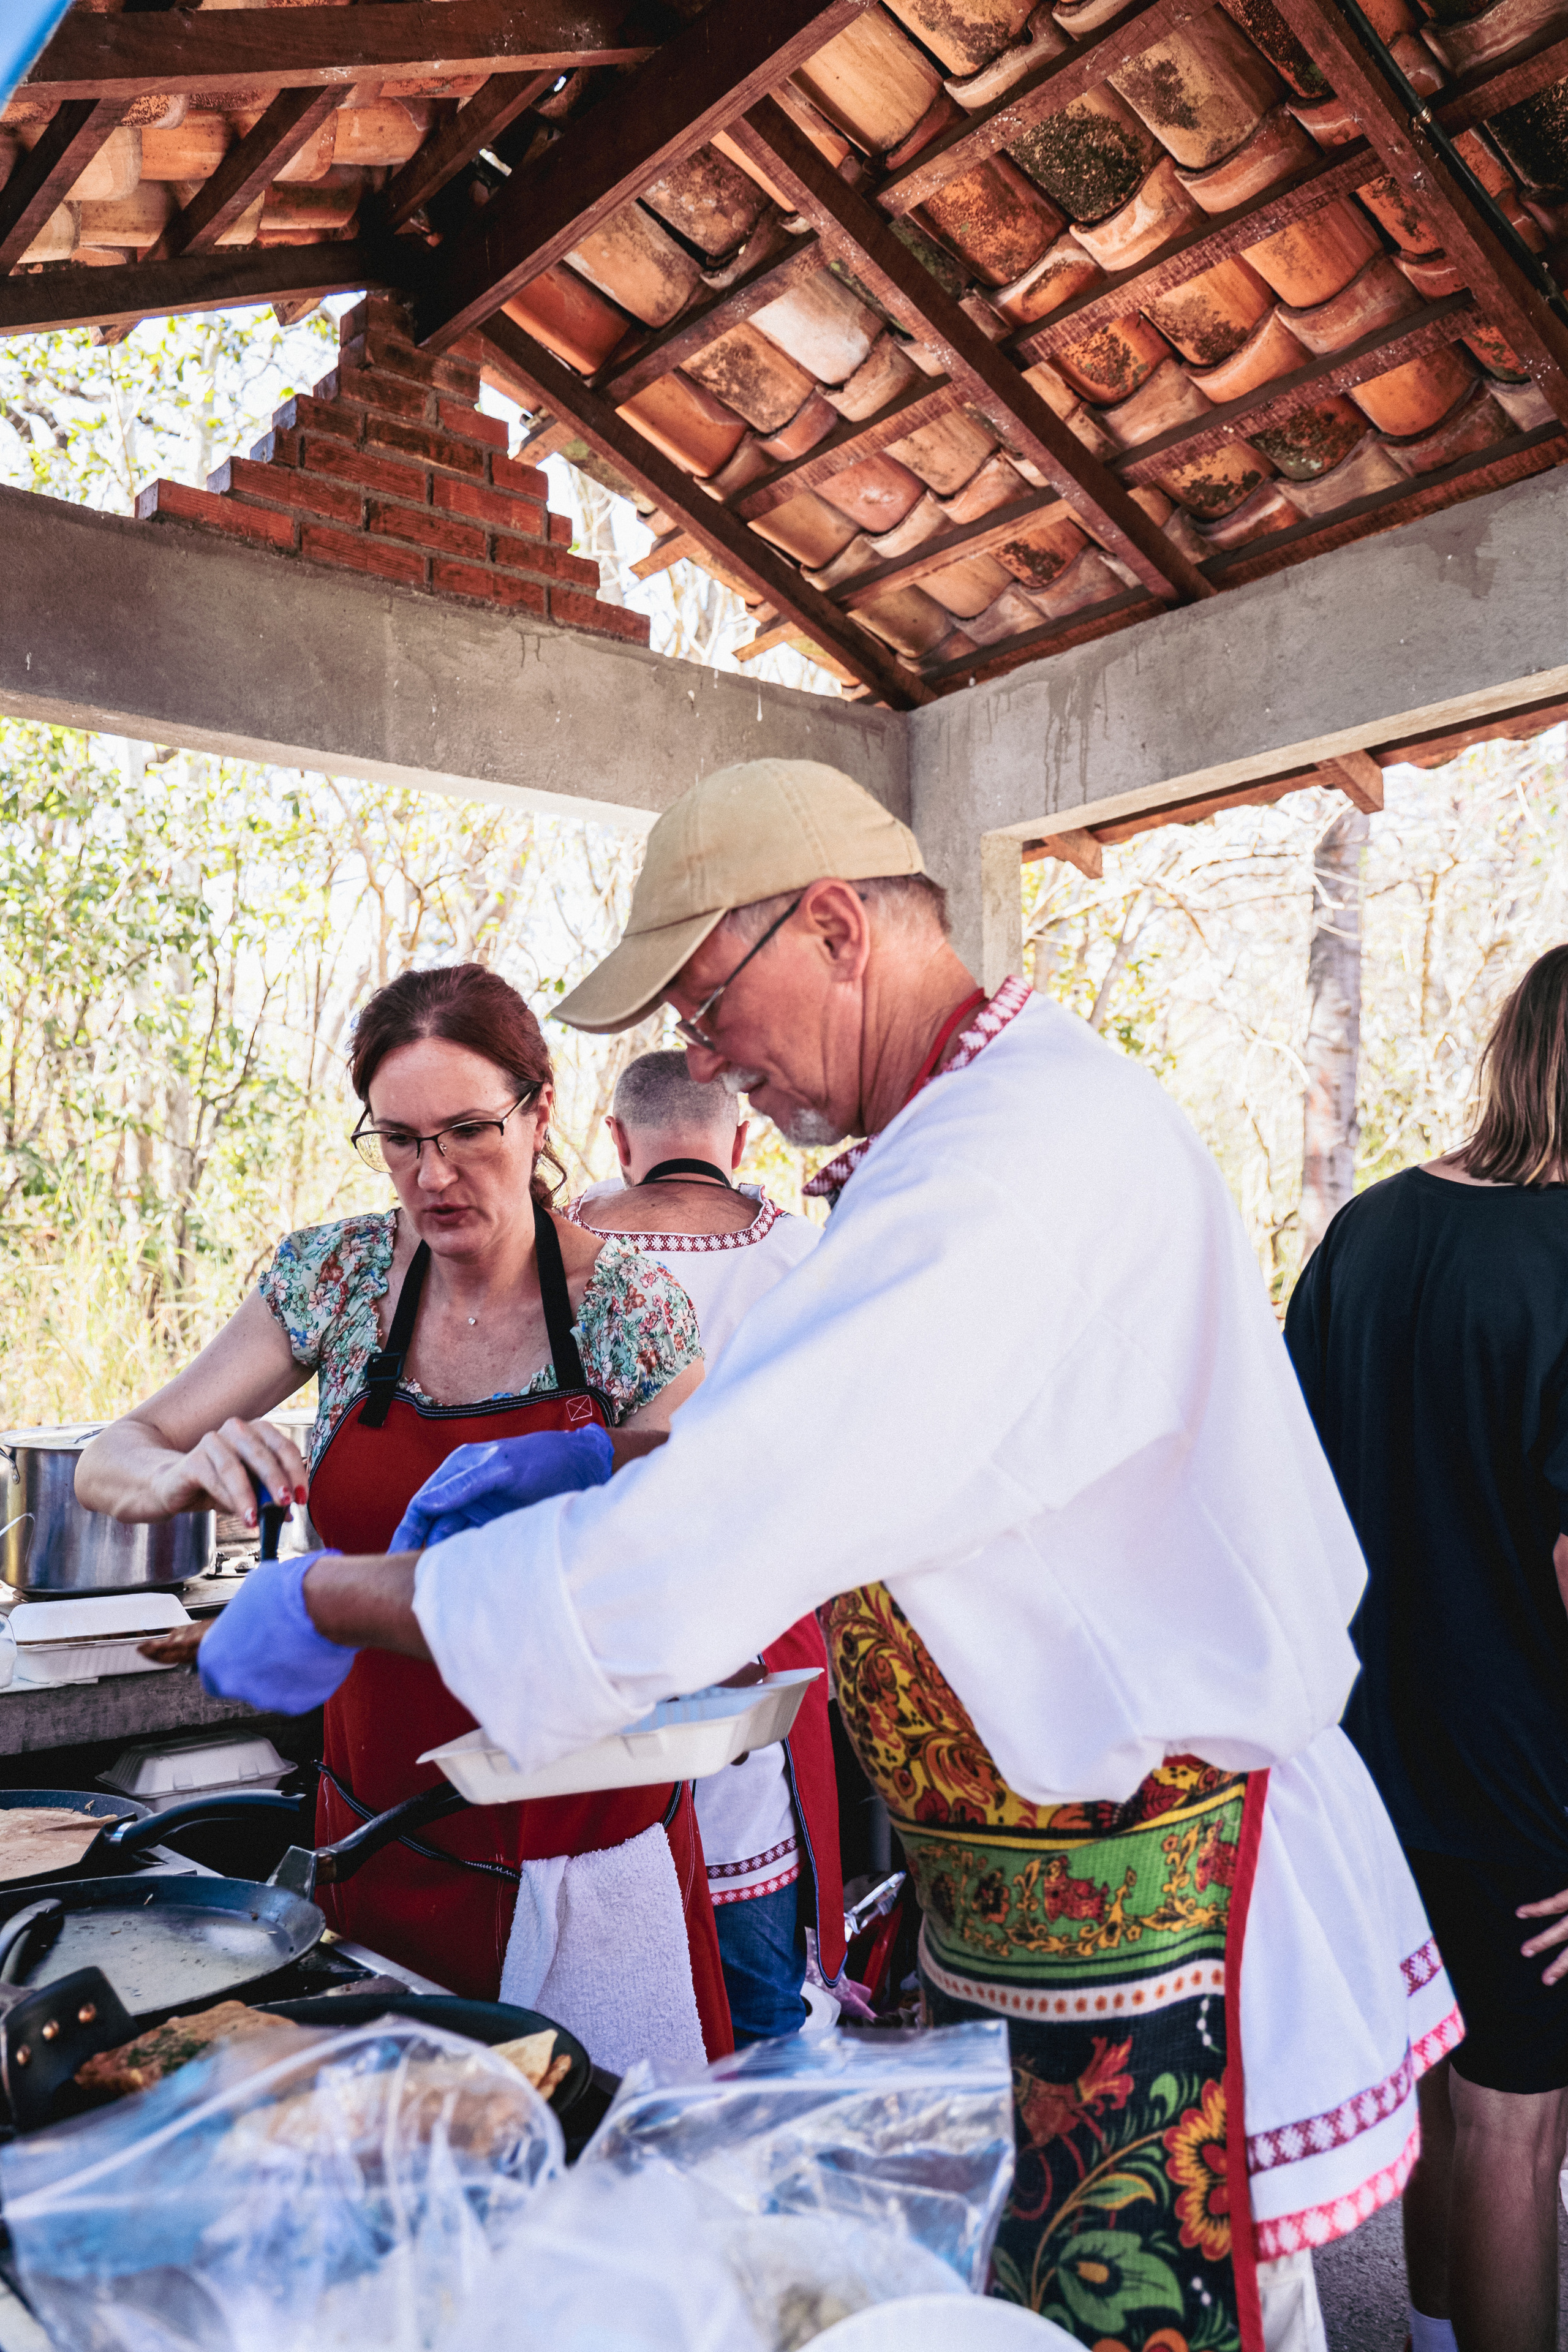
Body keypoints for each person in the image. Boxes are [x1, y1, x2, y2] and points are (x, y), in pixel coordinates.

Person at [193, 761, 1458, 2352]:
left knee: (1136, 2316)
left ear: (840, 926)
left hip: (1139, 1896)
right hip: (1047, 1876)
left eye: (714, 1002)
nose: (707, 1055)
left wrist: (344, 1594)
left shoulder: (1009, 1167)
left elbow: (711, 1547)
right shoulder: (978, 1134)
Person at [77, 963, 731, 2070]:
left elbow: (708, 1526)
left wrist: (601, 1460)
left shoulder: (628, 1311)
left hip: (583, 1846)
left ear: (541, 1111)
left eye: (471, 1130)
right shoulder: (335, 1279)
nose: (435, 1176)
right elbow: (113, 1454)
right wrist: (179, 1477)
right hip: (376, 1825)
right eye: (399, 1140)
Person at [1284, 944, 1568, 2352]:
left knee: (1437, 2097)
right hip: (1529, 1791)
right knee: (1517, 2137)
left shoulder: (1366, 1233)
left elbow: (1276, 1489)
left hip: (1366, 1768)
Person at [567, 1048, 844, 2041]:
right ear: (738, 1140)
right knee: (756, 1992)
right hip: (753, 1653)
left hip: (585, 1645)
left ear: (616, 1139)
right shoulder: (803, 1256)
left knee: (594, 1980)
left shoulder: (563, 1252)